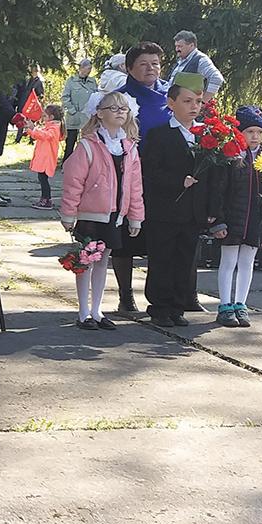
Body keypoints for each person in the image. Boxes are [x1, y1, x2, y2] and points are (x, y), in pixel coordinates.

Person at [140, 77, 225, 327]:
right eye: (187, 101)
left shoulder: (206, 136)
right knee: (162, 258)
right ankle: (159, 306)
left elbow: (214, 177)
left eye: (198, 101)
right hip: (165, 211)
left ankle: (178, 306)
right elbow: (151, 171)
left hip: (193, 211)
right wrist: (179, 180)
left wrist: (213, 210)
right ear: (171, 102)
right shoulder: (160, 134)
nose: (193, 106)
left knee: (186, 260)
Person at [59, 91, 145, 329]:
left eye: (124, 109)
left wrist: (136, 217)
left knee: (102, 260)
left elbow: (135, 185)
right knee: (85, 260)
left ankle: (97, 310)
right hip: (90, 215)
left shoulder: (129, 148)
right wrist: (69, 213)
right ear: (99, 113)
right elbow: (73, 181)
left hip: (115, 215)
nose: (119, 113)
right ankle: (83, 312)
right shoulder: (88, 146)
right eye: (113, 109)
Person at [107, 41, 172, 312]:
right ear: (130, 68)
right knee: (125, 238)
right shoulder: (120, 99)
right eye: (144, 64)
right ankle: (125, 295)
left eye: (155, 63)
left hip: (166, 176)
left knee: (160, 236)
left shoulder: (171, 94)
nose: (151, 69)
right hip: (129, 172)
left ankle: (161, 296)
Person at [217, 106, 262, 328]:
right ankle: (224, 304)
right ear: (240, 133)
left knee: (247, 262)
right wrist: (217, 219)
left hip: (255, 220)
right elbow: (220, 190)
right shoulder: (229, 155)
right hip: (232, 218)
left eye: (259, 132)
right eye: (250, 132)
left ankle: (241, 303)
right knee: (228, 261)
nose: (255, 137)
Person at [167, 30, 225, 97]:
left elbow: (217, 78)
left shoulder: (201, 60)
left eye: (180, 46)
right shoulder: (180, 61)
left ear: (191, 45)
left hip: (187, 106)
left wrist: (203, 101)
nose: (177, 49)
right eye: (176, 46)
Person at [28, 104, 64, 210]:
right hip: (44, 158)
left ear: (51, 117)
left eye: (44, 116)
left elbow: (45, 135)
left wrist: (33, 129)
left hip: (46, 159)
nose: (43, 118)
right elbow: (40, 134)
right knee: (42, 178)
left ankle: (46, 199)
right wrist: (31, 130)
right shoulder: (51, 127)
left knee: (43, 179)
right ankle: (45, 199)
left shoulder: (54, 128)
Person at [60, 58, 96, 161]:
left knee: (87, 142)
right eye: (87, 68)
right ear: (81, 68)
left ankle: (85, 162)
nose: (88, 71)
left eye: (90, 68)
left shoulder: (92, 82)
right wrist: (72, 110)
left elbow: (96, 96)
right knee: (70, 141)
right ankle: (66, 162)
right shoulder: (71, 81)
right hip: (74, 117)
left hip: (88, 118)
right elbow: (65, 97)